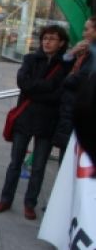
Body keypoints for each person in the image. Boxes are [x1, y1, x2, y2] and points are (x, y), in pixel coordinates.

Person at [0, 25, 70, 220]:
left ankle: (30, 203)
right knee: (15, 162)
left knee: (39, 166)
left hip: (47, 121)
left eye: (52, 39)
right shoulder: (30, 59)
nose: (47, 42)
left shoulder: (65, 65)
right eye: (45, 38)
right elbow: (22, 83)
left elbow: (58, 94)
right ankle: (5, 199)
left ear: (61, 43)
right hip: (25, 118)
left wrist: (36, 90)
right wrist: (45, 88)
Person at [53, 16, 96, 152]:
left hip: (78, 110)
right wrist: (73, 53)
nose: (83, 34)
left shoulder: (92, 55)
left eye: (86, 29)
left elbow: (77, 79)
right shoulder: (86, 51)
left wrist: (67, 79)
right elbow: (62, 66)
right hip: (72, 109)